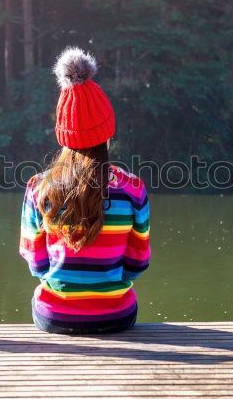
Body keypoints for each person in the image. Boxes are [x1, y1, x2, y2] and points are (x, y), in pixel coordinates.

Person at [19, 47, 150, 335]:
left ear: (63, 133)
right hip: (117, 316)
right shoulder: (132, 190)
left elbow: (36, 263)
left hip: (55, 317)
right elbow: (137, 263)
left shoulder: (39, 188)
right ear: (108, 132)